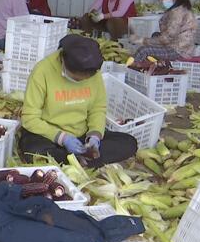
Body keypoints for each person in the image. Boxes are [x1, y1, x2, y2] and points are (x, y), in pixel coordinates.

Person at [19, 34, 138, 168]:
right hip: (49, 135)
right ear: (63, 61)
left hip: (81, 136)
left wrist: (95, 135)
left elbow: (97, 108)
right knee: (33, 150)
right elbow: (29, 119)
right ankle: (80, 160)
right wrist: (62, 138)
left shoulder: (92, 70)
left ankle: (74, 159)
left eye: (85, 80)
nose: (80, 82)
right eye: (76, 79)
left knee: (129, 143)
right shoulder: (42, 71)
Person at [129, 0, 197, 62]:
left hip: (179, 51)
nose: (163, 0)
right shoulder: (175, 10)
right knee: (155, 35)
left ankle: (131, 67)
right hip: (175, 44)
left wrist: (142, 40)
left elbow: (166, 39)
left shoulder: (178, 13)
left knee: (144, 50)